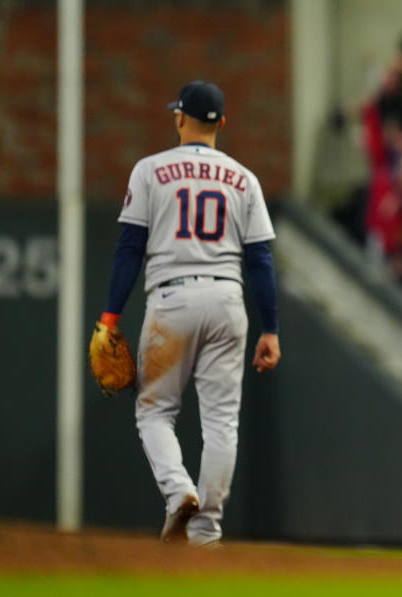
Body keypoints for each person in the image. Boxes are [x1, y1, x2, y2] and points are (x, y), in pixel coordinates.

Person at [96, 81, 280, 545]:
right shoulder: (245, 178)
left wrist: (110, 317)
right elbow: (259, 260)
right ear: (222, 122)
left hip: (172, 298)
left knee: (154, 412)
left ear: (179, 118)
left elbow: (129, 248)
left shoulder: (149, 170)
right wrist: (272, 329)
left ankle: (178, 492)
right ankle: (205, 532)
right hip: (227, 301)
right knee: (221, 421)